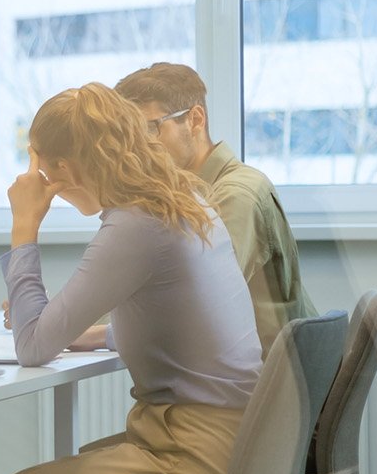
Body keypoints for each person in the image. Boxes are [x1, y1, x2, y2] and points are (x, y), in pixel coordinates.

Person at [0, 83, 263, 474]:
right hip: (236, 446)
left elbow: (31, 346)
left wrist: (25, 225)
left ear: (65, 166)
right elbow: (159, 324)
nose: (42, 180)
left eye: (45, 167)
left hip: (191, 457)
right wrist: (80, 332)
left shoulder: (133, 226)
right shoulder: (181, 199)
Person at [117, 62, 314, 358]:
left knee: (150, 400)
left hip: (263, 388)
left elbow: (196, 309)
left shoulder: (235, 195)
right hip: (258, 380)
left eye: (150, 128)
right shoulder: (187, 198)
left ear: (195, 119)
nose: (139, 148)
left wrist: (92, 333)